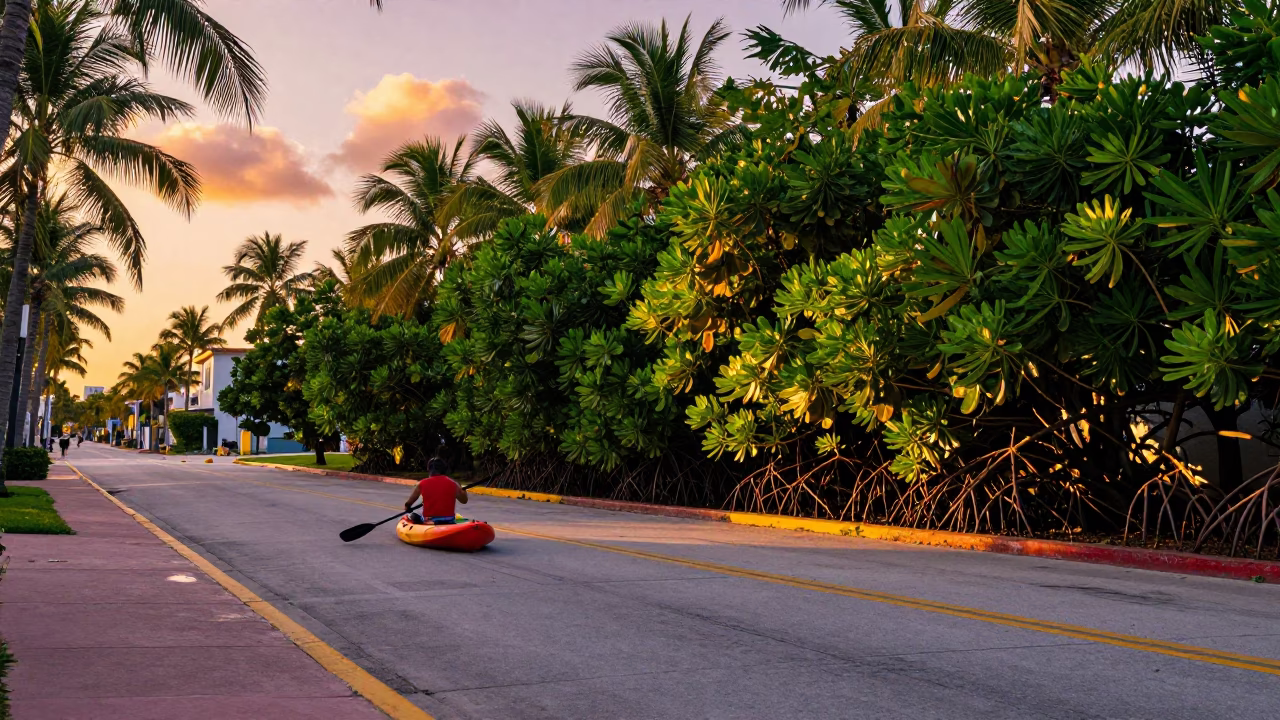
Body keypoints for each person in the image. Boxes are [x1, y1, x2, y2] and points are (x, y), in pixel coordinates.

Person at [403, 458, 467, 525]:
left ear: (428, 469)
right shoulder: (454, 483)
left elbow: (408, 503)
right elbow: (464, 501)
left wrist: (408, 507)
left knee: (412, 516)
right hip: (449, 520)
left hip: (429, 520)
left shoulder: (421, 483)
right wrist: (463, 490)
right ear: (444, 470)